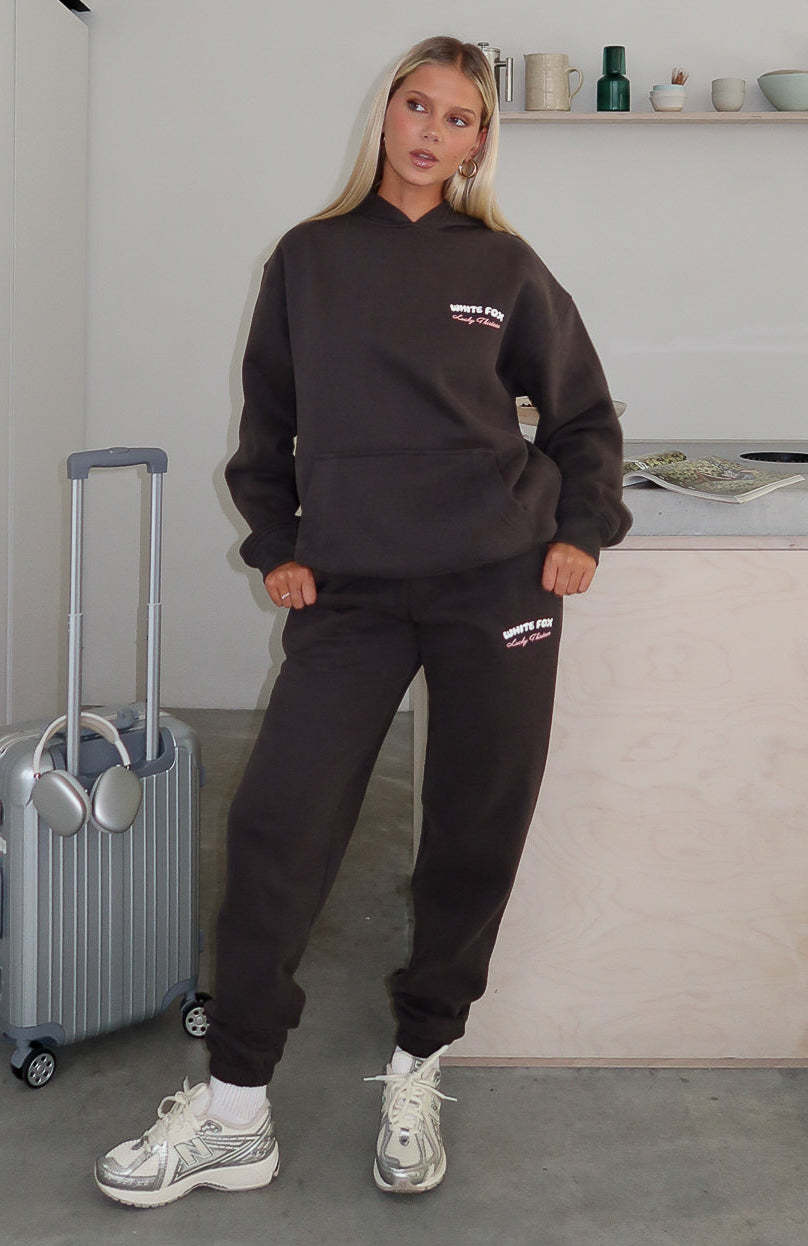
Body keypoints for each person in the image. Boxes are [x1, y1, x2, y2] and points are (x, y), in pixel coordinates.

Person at [94, 34, 632, 1207]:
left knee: (474, 830)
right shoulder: (308, 258)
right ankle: (234, 1110)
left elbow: (584, 417)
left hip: (497, 586)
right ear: (385, 114)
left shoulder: (505, 265)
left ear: (479, 142)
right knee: (276, 827)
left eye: (459, 117)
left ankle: (418, 1063)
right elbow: (265, 428)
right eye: (417, 106)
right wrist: (278, 544)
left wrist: (580, 531)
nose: (433, 132)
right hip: (355, 594)